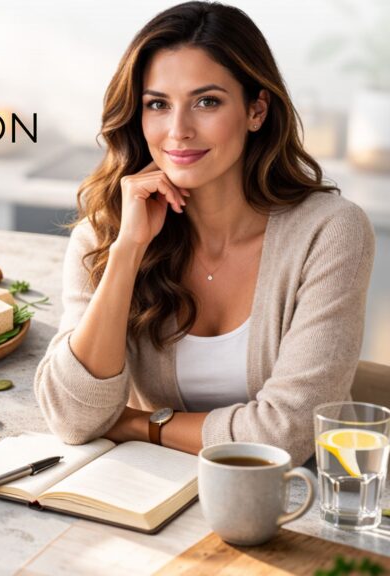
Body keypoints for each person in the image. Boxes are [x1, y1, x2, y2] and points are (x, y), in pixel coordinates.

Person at [34, 1, 375, 465]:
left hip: (298, 502)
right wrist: (129, 250)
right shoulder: (108, 233)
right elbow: (73, 418)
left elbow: (290, 433)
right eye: (158, 104)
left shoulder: (330, 231)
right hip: (155, 497)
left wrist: (139, 424)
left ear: (256, 110)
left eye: (206, 102)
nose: (178, 130)